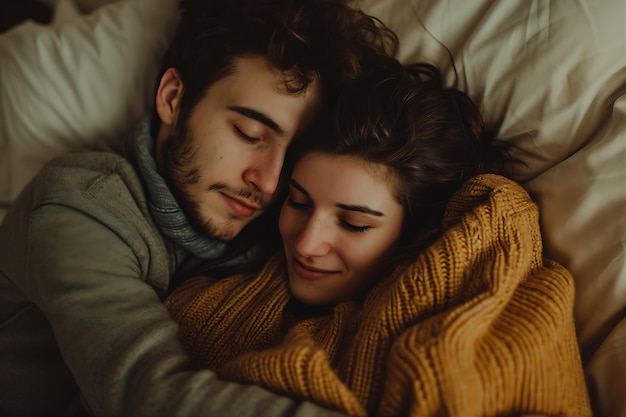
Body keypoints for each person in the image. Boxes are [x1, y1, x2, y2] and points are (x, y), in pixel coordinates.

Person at [0, 0, 398, 416]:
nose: (268, 181)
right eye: (249, 133)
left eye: (294, 154)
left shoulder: (285, 231)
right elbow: (149, 391)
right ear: (173, 98)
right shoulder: (78, 205)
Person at [165, 59, 592, 416]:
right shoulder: (208, 300)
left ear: (413, 231)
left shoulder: (473, 284)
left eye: (354, 224)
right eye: (298, 201)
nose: (307, 243)